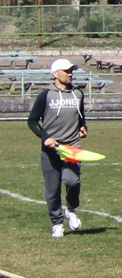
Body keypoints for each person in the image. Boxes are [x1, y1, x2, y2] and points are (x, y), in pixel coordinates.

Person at [28, 59, 88, 239]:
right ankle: (57, 223)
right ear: (55, 74)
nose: (70, 73)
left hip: (72, 146)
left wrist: (83, 126)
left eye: (72, 71)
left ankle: (71, 209)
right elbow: (32, 121)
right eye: (66, 71)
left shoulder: (78, 94)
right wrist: (45, 137)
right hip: (51, 150)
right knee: (52, 189)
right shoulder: (46, 95)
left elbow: (81, 116)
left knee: (72, 182)